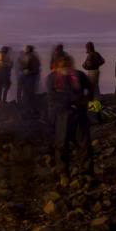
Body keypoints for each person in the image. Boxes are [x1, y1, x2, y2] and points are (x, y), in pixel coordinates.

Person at [46, 53, 94, 181]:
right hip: (62, 116)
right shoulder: (52, 78)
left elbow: (90, 88)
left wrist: (86, 100)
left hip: (79, 115)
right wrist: (73, 101)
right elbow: (52, 97)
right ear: (57, 67)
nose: (65, 68)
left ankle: (87, 172)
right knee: (61, 145)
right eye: (62, 66)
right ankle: (63, 173)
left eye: (67, 65)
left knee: (84, 144)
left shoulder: (78, 75)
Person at [17, 45, 41, 114]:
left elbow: (21, 66)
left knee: (28, 93)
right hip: (29, 77)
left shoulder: (26, 57)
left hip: (27, 77)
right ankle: (30, 109)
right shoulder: (33, 57)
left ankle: (28, 109)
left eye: (27, 49)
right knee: (29, 93)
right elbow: (36, 68)